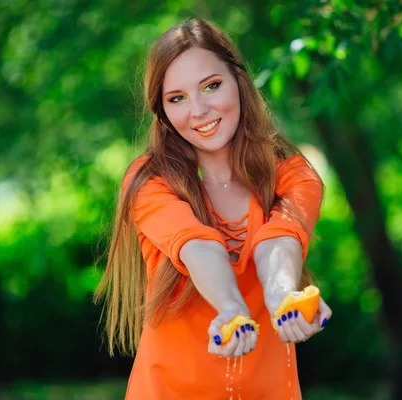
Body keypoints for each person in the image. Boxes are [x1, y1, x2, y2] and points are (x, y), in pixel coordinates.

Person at [94, 18, 332, 399]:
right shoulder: (148, 181)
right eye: (177, 98)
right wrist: (231, 307)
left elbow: (280, 239)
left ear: (239, 81)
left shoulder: (294, 175)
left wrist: (281, 296)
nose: (199, 110)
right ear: (162, 112)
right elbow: (198, 246)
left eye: (211, 86)